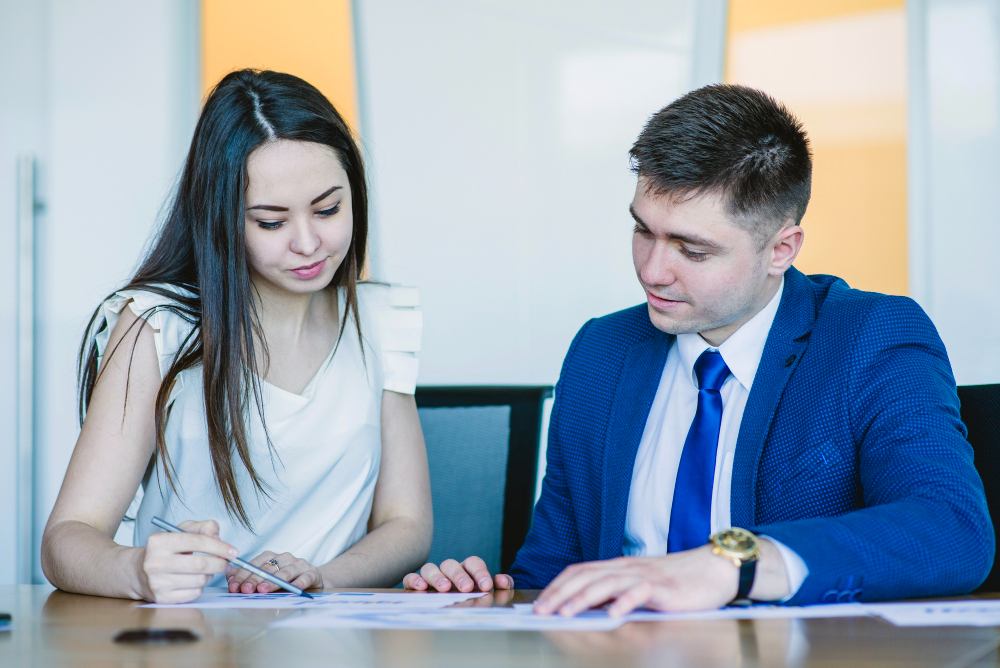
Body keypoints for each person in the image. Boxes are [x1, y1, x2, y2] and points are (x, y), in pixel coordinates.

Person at [404, 84, 994, 615]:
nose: (653, 272)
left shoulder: (871, 337)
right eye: (643, 231)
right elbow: (554, 568)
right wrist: (490, 592)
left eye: (692, 250)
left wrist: (735, 562)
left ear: (781, 249)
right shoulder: (602, 351)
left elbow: (952, 528)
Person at [41, 69, 432, 604]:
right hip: (193, 639)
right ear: (222, 220)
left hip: (336, 636)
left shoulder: (380, 320)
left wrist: (321, 576)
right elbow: (66, 540)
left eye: (328, 209)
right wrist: (134, 571)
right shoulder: (158, 327)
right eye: (271, 222)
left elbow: (406, 524)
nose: (308, 243)